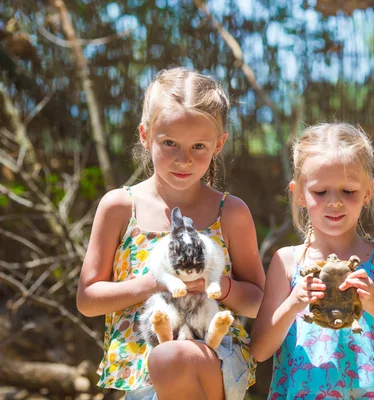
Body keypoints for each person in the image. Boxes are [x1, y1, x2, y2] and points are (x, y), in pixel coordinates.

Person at [77, 67, 265, 400]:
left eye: (198, 146)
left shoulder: (231, 212)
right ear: (145, 135)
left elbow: (257, 303)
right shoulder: (120, 207)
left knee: (174, 355)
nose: (184, 159)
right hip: (140, 374)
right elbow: (88, 300)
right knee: (164, 357)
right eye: (169, 143)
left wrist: (217, 286)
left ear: (219, 144)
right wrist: (157, 282)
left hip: (214, 357)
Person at [250, 122, 374, 399]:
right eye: (320, 192)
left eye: (348, 191)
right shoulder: (287, 262)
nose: (334, 201)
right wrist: (292, 305)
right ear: (299, 193)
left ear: (367, 193)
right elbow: (260, 350)